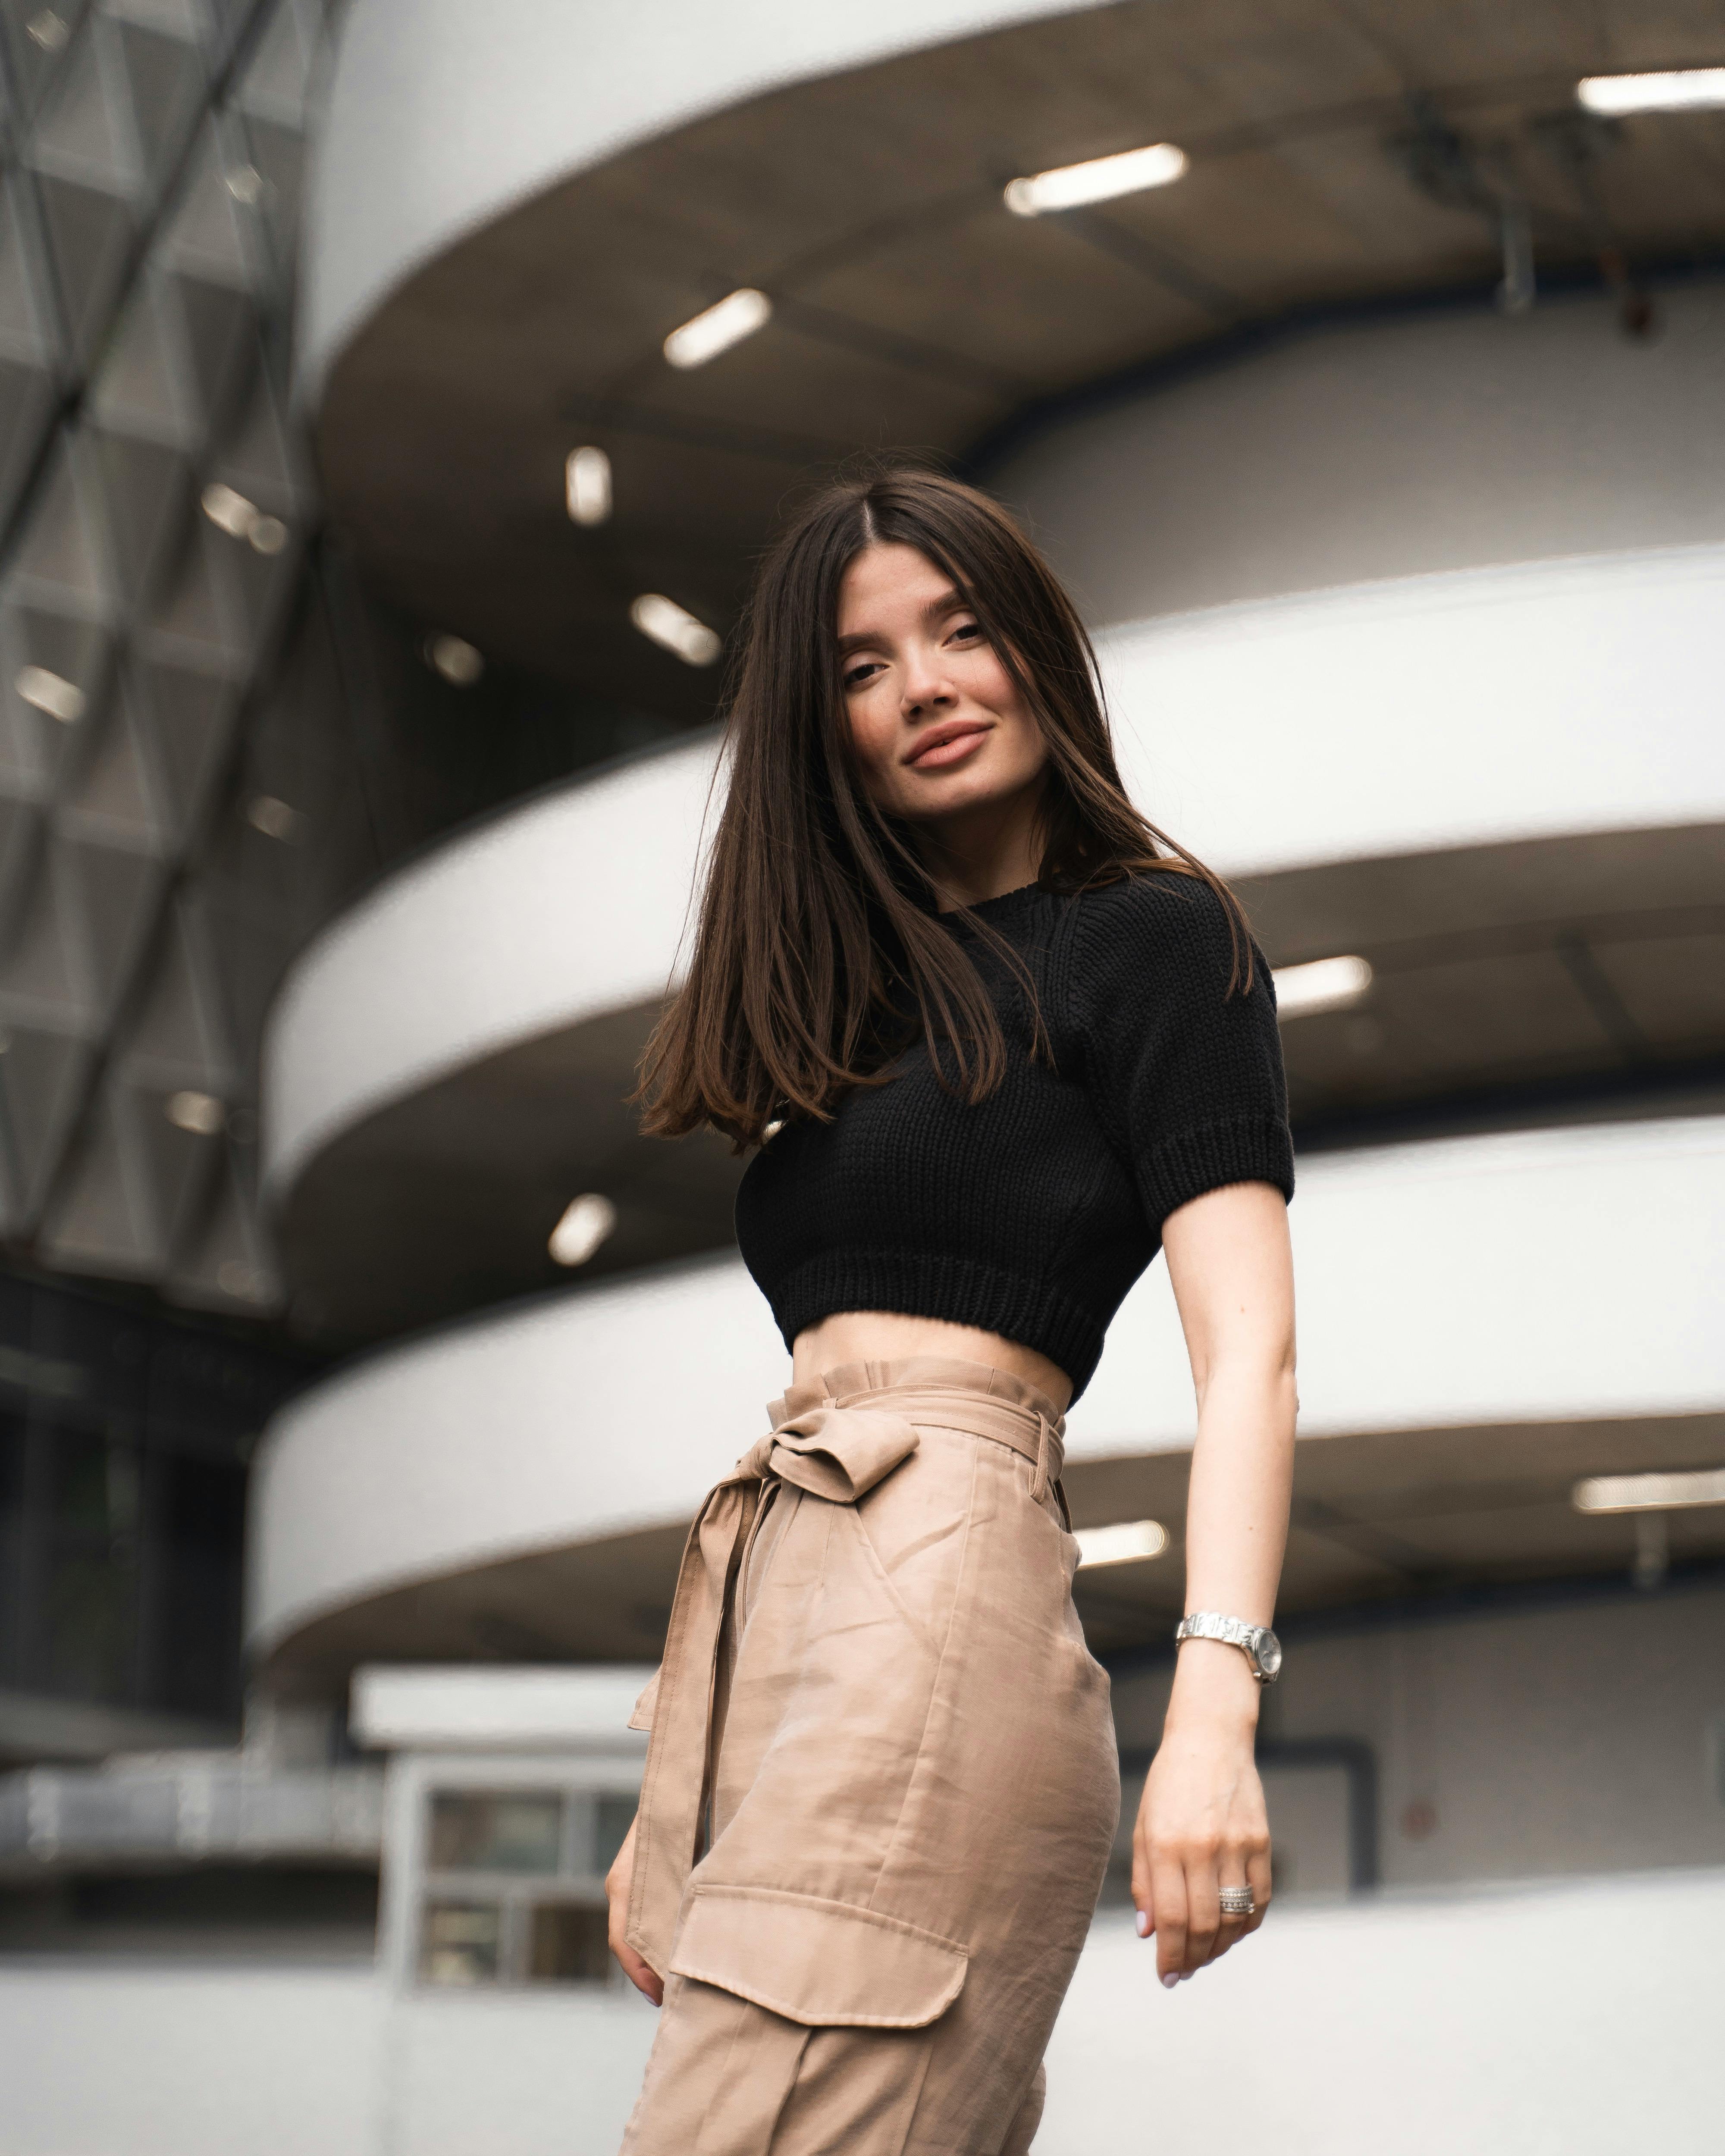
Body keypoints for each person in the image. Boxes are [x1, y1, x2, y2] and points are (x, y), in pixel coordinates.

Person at [606, 466, 1297, 2156]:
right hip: (788, 1605)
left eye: (961, 629)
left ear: (1035, 650)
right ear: (818, 724)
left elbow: (1252, 1355)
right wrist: (671, 1786)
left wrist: (1213, 1708)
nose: (921, 686)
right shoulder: (853, 1002)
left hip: (945, 1591)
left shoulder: (1150, 939)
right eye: (860, 664)